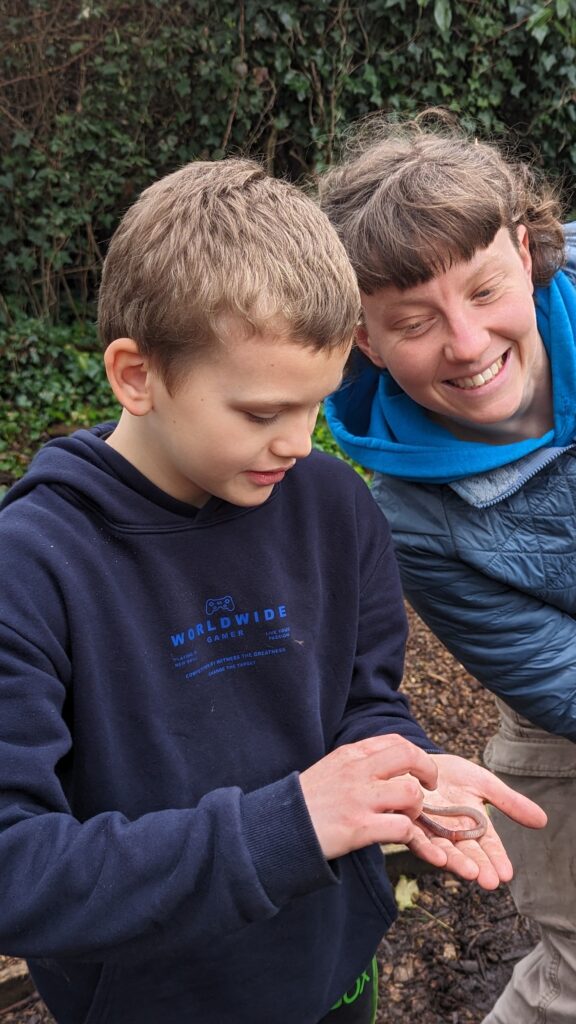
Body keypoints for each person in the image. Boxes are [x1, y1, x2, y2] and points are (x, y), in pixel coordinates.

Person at [0, 157, 545, 1024]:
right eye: (260, 414)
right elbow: (16, 865)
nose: (297, 444)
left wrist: (401, 770)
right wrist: (284, 826)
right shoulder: (31, 566)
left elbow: (361, 702)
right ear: (136, 374)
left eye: (316, 406)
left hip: (334, 972)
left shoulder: (335, 510)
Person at [318, 113, 576, 1024]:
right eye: (415, 322)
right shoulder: (408, 519)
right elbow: (562, 684)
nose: (466, 344)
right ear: (363, 339)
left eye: (485, 289)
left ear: (523, 244)